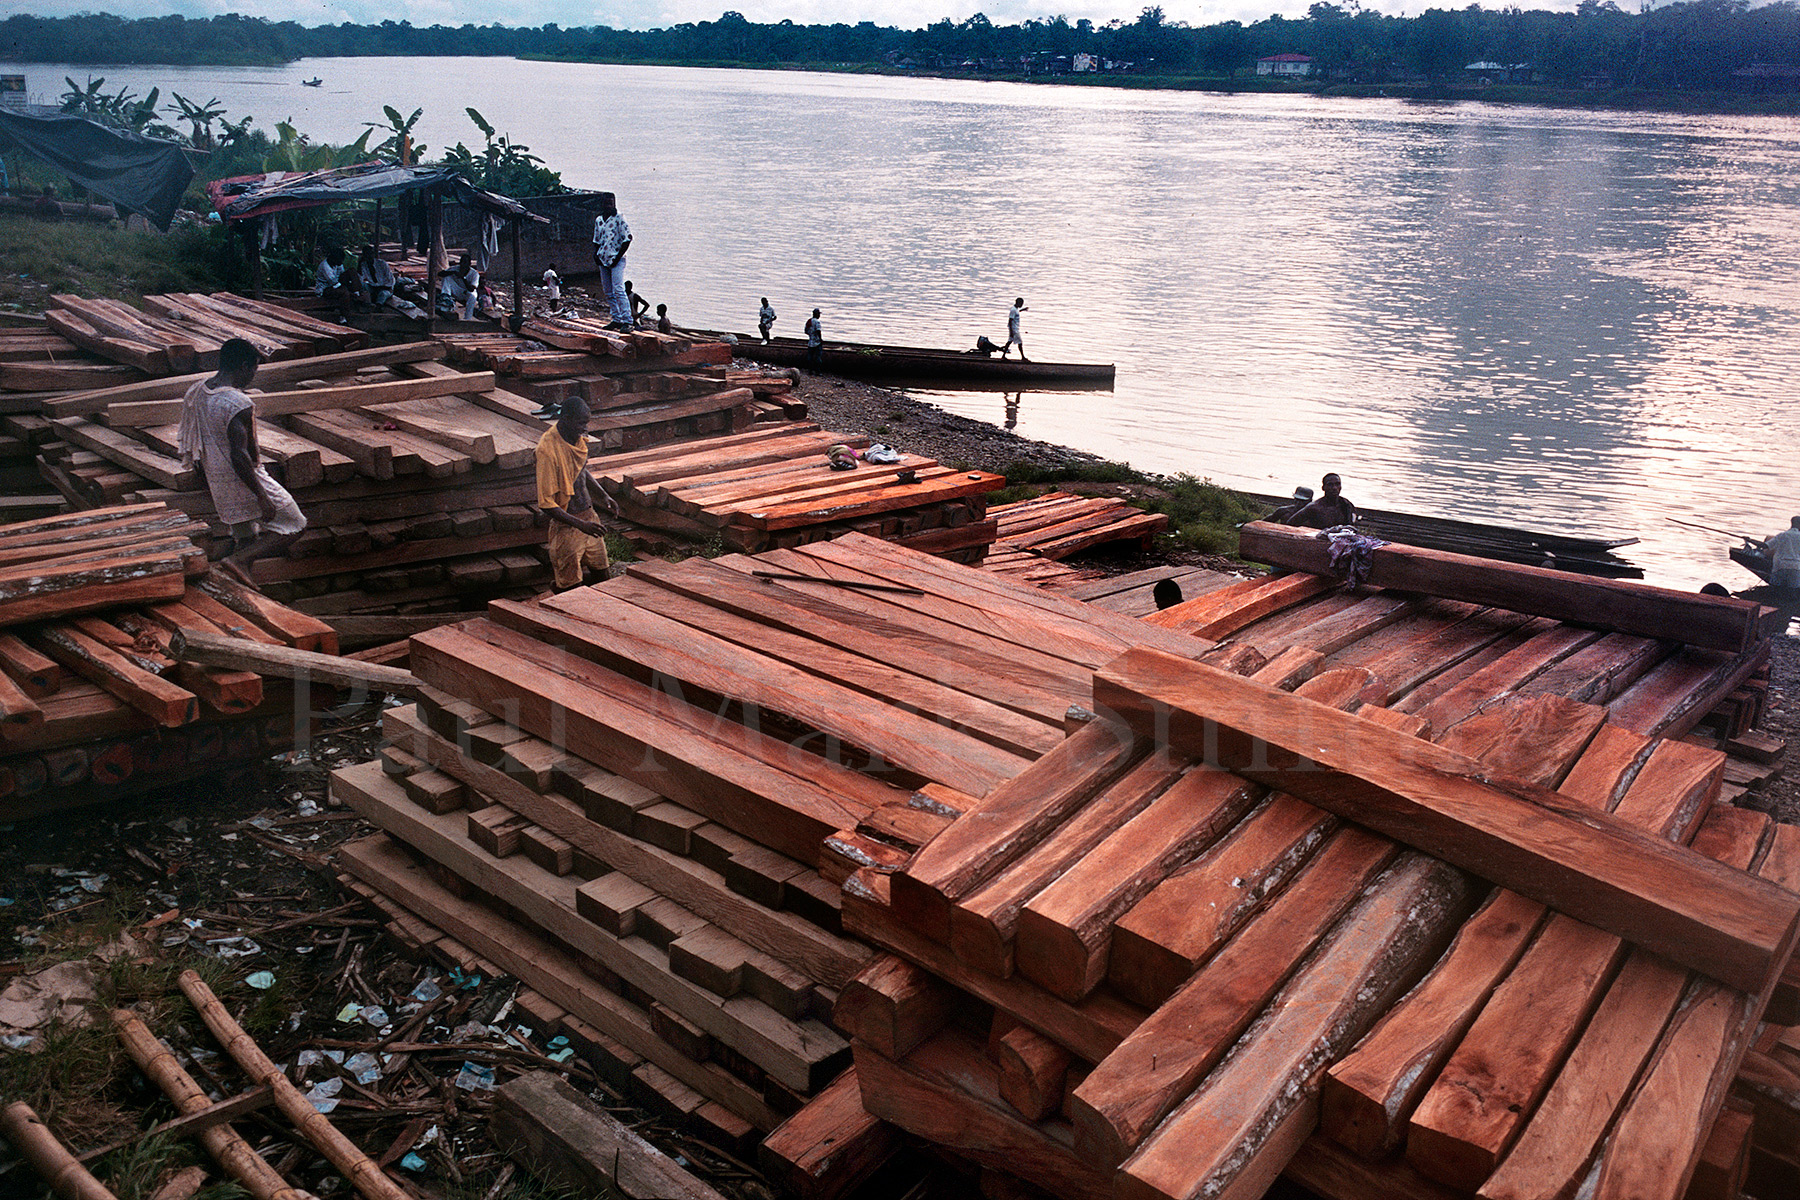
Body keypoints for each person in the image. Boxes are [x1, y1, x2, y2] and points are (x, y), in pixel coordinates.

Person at [177, 339, 307, 585]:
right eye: (254, 369)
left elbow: (192, 437)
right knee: (295, 525)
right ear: (244, 366)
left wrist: (201, 472)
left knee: (246, 537)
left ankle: (238, 579)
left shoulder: (197, 390)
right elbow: (240, 454)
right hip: (244, 479)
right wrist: (261, 496)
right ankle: (237, 562)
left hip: (217, 480)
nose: (253, 376)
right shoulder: (238, 403)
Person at [536, 394, 620, 591]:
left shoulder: (577, 439)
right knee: (570, 586)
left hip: (589, 517)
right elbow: (545, 504)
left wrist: (603, 495)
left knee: (603, 574)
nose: (585, 428)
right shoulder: (547, 450)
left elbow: (580, 469)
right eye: (581, 423)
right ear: (565, 420)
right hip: (567, 524)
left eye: (587, 423)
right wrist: (581, 525)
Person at [591, 192, 632, 331]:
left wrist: (618, 257)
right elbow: (596, 240)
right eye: (607, 203)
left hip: (617, 259)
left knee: (619, 289)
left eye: (611, 203)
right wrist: (595, 254)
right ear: (602, 203)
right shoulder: (599, 220)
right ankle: (616, 318)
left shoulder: (619, 218)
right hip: (603, 259)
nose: (609, 205)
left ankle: (627, 320)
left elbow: (627, 239)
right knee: (608, 291)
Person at [1285, 472, 1357, 529]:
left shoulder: (1346, 504)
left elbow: (1351, 526)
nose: (1334, 488)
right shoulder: (1314, 507)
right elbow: (1290, 524)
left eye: (1337, 484)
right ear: (1323, 488)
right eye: (1330, 485)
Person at [314, 247, 357, 320]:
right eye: (340, 260)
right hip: (325, 288)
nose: (341, 262)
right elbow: (333, 283)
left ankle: (358, 292)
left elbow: (342, 274)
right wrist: (346, 288)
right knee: (344, 293)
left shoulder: (338, 264)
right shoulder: (325, 266)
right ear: (334, 259)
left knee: (352, 271)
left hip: (337, 284)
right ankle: (343, 317)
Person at [1768, 516, 1800, 591]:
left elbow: (1766, 545)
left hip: (1780, 566)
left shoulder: (1782, 535)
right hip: (1795, 567)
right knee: (1793, 591)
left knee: (1775, 589)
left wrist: (1750, 540)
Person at [1004, 297, 1028, 361]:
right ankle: (1023, 357)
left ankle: (1003, 356)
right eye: (1021, 303)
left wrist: (1022, 310)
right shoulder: (1013, 310)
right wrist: (1011, 331)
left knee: (1009, 342)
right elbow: (1010, 320)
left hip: (1015, 328)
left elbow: (1017, 312)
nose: (1022, 305)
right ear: (1018, 302)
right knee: (1020, 343)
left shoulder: (1016, 309)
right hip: (1014, 329)